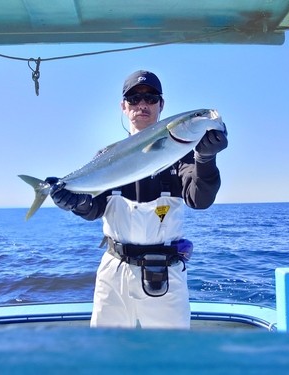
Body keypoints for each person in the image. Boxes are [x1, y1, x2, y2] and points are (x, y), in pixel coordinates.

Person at [49, 70, 228, 329]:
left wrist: (206, 158)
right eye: (133, 98)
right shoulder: (107, 156)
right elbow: (94, 208)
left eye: (151, 97)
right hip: (114, 272)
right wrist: (75, 202)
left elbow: (199, 199)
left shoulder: (183, 153)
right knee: (107, 354)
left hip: (165, 273)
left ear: (161, 105)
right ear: (124, 106)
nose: (142, 104)